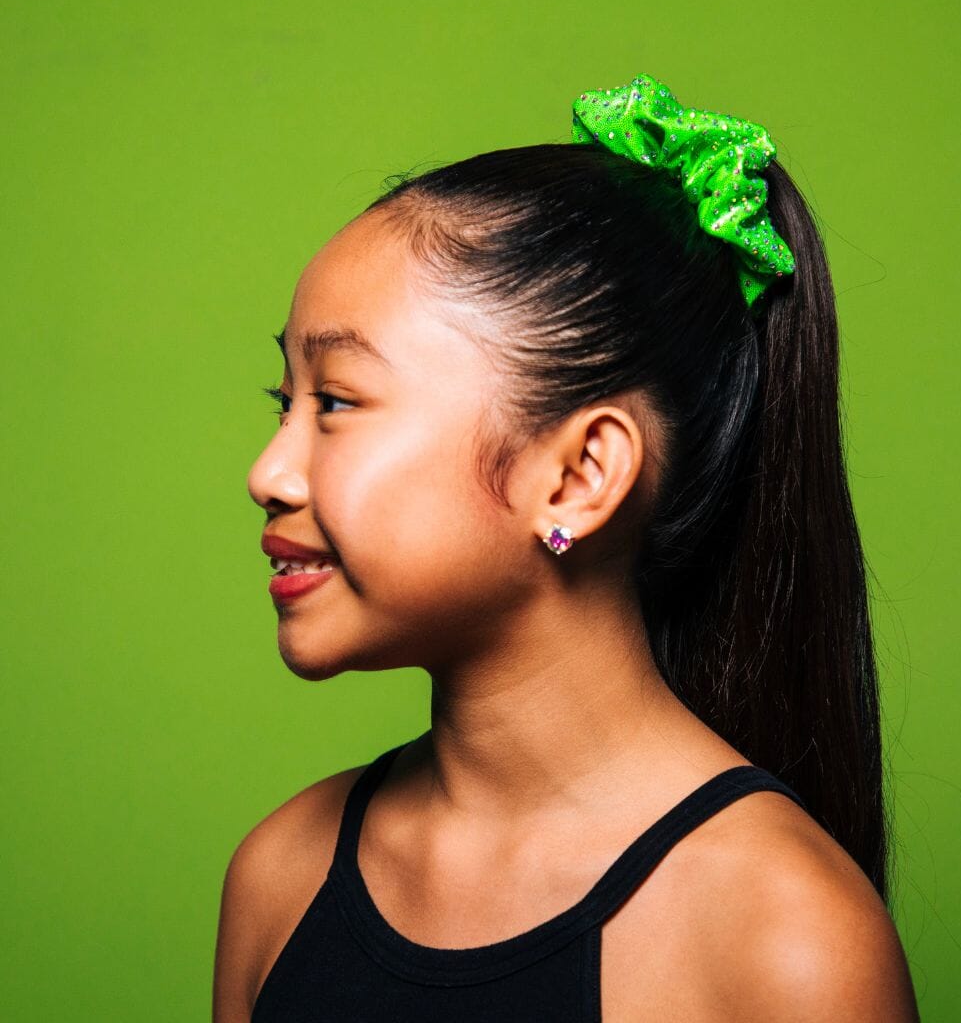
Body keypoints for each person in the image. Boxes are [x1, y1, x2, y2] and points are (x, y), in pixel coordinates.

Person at [213, 73, 921, 1021]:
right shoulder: (279, 876)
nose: (270, 472)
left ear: (580, 474)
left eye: (335, 401)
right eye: (283, 403)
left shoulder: (785, 938)